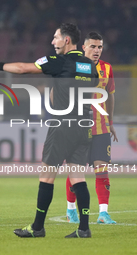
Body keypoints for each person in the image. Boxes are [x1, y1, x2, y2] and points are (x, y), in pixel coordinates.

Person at [0, 23, 98, 238]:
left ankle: (37, 227)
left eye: (56, 37)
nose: (53, 42)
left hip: (62, 126)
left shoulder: (59, 61)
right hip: (83, 126)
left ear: (67, 40)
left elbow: (23, 68)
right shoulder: (89, 65)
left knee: (47, 176)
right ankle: (84, 229)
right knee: (78, 177)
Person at [66, 31, 118, 224]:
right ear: (84, 48)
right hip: (78, 127)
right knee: (76, 170)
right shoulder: (74, 67)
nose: (97, 50)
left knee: (102, 169)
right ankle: (71, 208)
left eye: (100, 47)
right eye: (93, 47)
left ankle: (103, 213)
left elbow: (110, 94)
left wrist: (110, 122)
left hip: (101, 127)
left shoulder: (107, 68)